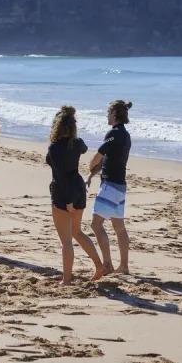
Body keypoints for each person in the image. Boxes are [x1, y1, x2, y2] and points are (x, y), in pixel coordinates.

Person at [46, 106, 104, 284]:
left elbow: (61, 177)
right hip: (78, 189)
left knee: (66, 241)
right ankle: (99, 265)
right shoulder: (77, 143)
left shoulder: (54, 148)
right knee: (77, 232)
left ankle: (66, 279)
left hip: (64, 193)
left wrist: (68, 201)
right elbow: (85, 148)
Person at [87, 100, 134, 275]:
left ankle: (107, 264)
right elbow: (110, 159)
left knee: (96, 224)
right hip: (120, 186)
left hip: (110, 186)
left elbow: (97, 157)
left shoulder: (113, 133)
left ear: (114, 113)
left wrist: (90, 168)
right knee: (119, 227)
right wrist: (92, 175)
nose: (107, 115)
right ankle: (124, 266)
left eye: (108, 112)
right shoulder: (126, 135)